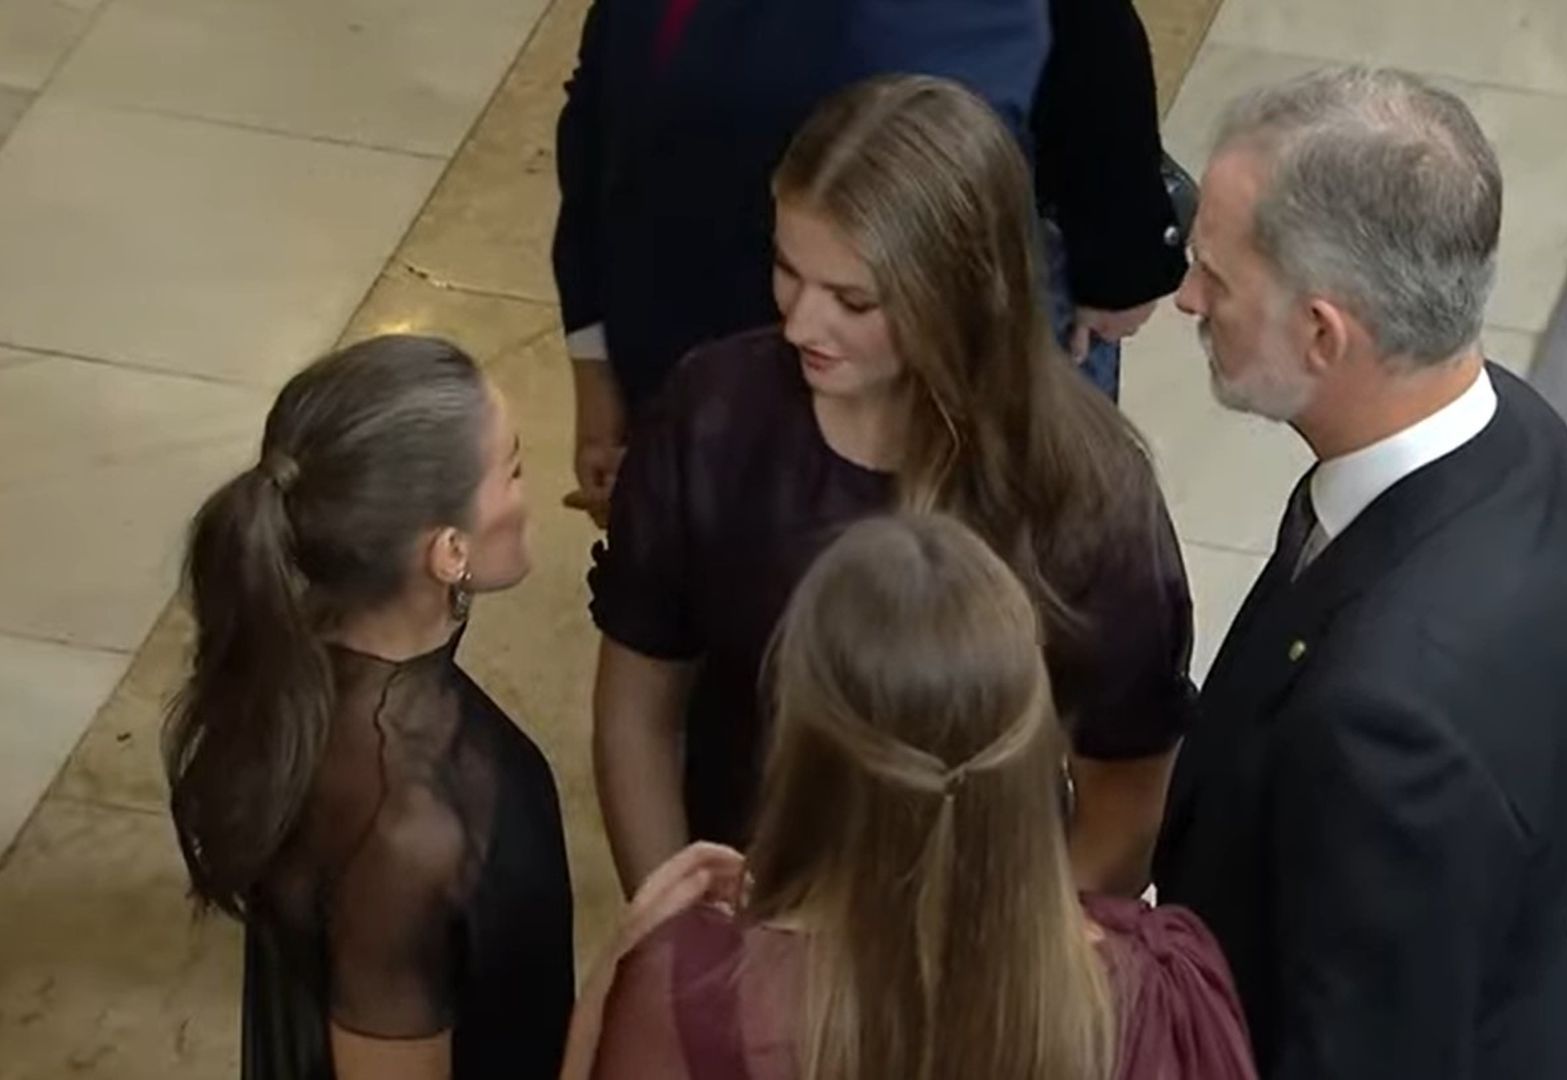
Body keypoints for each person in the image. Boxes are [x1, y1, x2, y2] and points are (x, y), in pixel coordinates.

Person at [588, 75, 1193, 900]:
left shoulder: (1086, 491)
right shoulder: (712, 415)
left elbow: (1125, 801)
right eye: (786, 269)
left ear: (960, 294)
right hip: (749, 908)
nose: (801, 324)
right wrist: (675, 927)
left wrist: (1011, 979)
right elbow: (639, 700)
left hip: (981, 935)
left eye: (853, 300)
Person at [1151, 68, 1567, 1079]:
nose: (1187, 298)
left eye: (1218, 279)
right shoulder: (1523, 445)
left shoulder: (1383, 721)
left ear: (1324, 334)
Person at [571, 513, 1258, 1080]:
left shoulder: (690, 996)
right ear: (1037, 743)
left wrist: (614, 983)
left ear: (800, 746)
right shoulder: (1160, 989)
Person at [553, 0, 1186, 524]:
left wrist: (1119, 255)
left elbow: (1093, 57)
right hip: (693, 392)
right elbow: (601, 120)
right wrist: (598, 365)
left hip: (924, 423)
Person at [162, 337, 574, 1080]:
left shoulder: (292, 666)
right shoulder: (406, 829)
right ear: (450, 551)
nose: (525, 489)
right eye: (511, 469)